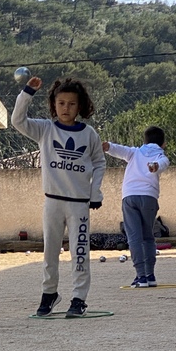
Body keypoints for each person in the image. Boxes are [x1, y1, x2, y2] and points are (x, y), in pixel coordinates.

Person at [12, 76, 106, 318]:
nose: (66, 108)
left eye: (72, 104)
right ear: (54, 105)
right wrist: (27, 93)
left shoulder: (89, 134)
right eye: (61, 103)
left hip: (79, 204)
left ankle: (78, 299)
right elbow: (17, 121)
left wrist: (95, 193)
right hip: (52, 201)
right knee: (50, 252)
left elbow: (99, 162)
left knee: (80, 252)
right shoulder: (45, 129)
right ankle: (49, 293)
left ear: (80, 106)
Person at [105, 126, 169, 288]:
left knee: (134, 237)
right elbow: (162, 163)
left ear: (144, 141)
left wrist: (107, 146)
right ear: (163, 144)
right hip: (149, 197)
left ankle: (140, 276)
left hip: (130, 196)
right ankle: (150, 275)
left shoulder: (135, 152)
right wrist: (155, 166)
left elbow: (119, 149)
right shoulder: (161, 155)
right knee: (148, 236)